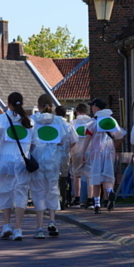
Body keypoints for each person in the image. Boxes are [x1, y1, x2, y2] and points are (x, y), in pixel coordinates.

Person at [0, 92, 33, 240]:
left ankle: (6, 225)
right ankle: (18, 228)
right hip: (21, 161)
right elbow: (33, 143)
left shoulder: (0, 120)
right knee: (20, 193)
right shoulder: (29, 122)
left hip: (4, 160)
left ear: (8, 103)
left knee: (4, 191)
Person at [30, 94, 76, 238]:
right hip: (53, 160)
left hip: (37, 160)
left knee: (38, 192)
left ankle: (39, 228)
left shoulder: (32, 121)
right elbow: (69, 139)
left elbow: (28, 140)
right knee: (52, 190)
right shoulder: (59, 121)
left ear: (38, 106)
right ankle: (52, 221)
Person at [82, 98, 125, 213]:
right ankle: (110, 192)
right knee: (107, 175)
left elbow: (87, 138)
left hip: (96, 151)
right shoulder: (112, 120)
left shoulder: (93, 122)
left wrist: (83, 153)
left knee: (96, 177)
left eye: (92, 106)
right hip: (109, 150)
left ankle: (97, 205)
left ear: (96, 107)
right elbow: (120, 136)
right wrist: (113, 147)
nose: (91, 108)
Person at [68, 103, 92, 207]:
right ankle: (91, 199)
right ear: (86, 112)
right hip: (89, 149)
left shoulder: (73, 123)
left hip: (76, 150)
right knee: (89, 175)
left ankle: (77, 199)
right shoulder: (91, 122)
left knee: (76, 175)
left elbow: (71, 137)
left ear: (77, 112)